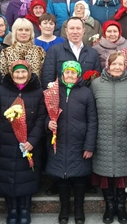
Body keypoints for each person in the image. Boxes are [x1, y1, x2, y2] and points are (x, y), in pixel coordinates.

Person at [0, 60, 46, 224]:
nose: (20, 75)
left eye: (23, 72)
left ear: (29, 73)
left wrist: (32, 140)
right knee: (7, 178)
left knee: (27, 178)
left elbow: (41, 119)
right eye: (17, 72)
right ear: (11, 74)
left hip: (28, 145)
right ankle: (12, 209)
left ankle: (25, 210)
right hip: (5, 144)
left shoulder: (38, 91)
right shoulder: (1, 91)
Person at [46, 61, 97, 224]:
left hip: (79, 142)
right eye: (66, 72)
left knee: (80, 179)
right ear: (62, 74)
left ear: (78, 75)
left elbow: (92, 121)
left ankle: (79, 210)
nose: (69, 75)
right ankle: (64, 209)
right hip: (59, 142)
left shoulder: (86, 93)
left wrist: (89, 145)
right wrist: (48, 123)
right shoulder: (54, 92)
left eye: (73, 73)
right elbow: (45, 114)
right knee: (62, 179)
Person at [90, 52, 127, 224]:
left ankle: (121, 206)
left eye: (120, 64)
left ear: (126, 66)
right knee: (106, 174)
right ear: (107, 65)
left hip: (125, 135)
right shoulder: (96, 84)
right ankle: (110, 206)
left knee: (122, 174)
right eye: (113, 64)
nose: (117, 67)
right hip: (102, 136)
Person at [41, 17, 102, 88]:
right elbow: (48, 78)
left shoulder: (92, 53)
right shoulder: (54, 50)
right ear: (66, 31)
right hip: (62, 96)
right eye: (72, 28)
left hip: (85, 96)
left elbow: (97, 79)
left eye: (78, 28)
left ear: (83, 30)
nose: (75, 32)